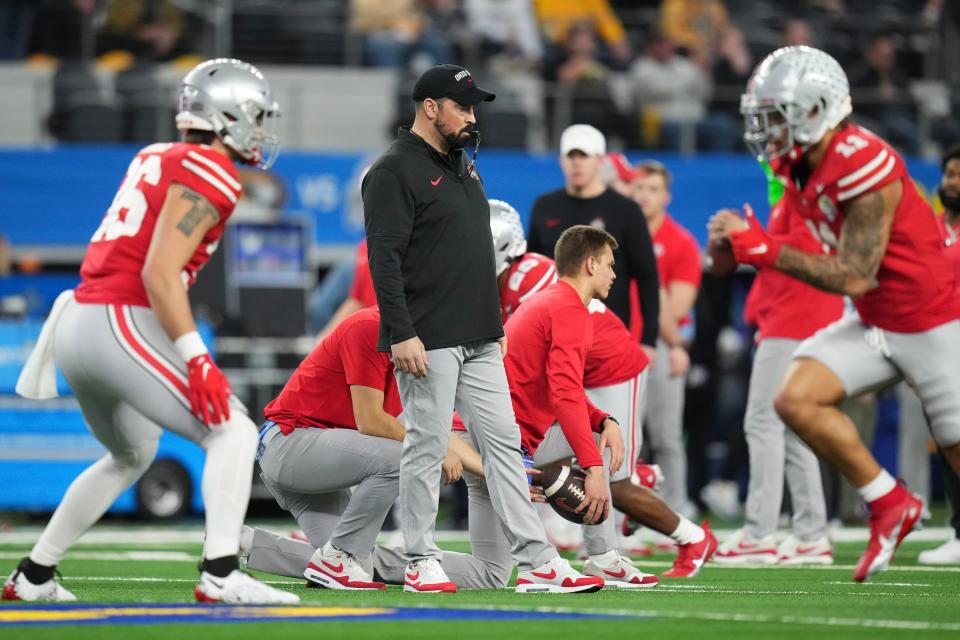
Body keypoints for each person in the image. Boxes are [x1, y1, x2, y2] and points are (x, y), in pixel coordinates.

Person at [3, 59, 297, 604]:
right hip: (119, 318)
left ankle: (34, 576)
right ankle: (220, 571)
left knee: (132, 454)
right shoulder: (211, 170)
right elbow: (158, 274)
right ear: (228, 114)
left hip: (77, 323)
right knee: (231, 431)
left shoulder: (155, 154)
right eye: (254, 115)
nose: (259, 129)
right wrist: (196, 357)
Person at [717, 45, 960, 582]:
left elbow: (854, 274)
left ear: (815, 109)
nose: (767, 128)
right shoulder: (800, 162)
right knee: (794, 399)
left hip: (933, 319)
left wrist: (764, 250)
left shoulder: (861, 161)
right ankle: (890, 502)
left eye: (777, 114)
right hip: (878, 320)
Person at [363, 63, 600, 594]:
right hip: (428, 337)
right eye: (463, 107)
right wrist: (401, 333)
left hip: (478, 336)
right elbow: (384, 259)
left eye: (473, 108)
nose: (472, 117)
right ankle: (420, 556)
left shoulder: (463, 166)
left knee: (506, 447)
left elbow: (469, 256)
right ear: (431, 108)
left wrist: (492, 326)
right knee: (427, 445)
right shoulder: (393, 170)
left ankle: (537, 560)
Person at [505, 224, 717, 579]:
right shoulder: (566, 305)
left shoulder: (550, 296)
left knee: (604, 457)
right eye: (609, 264)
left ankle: (604, 552)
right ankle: (681, 530)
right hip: (506, 433)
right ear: (590, 264)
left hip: (607, 374)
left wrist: (603, 422)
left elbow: (561, 388)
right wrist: (594, 464)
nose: (615, 274)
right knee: (607, 471)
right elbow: (563, 390)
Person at [241, 306, 487, 590]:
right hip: (289, 444)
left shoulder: (416, 343)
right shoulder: (370, 327)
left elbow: (436, 430)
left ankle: (243, 543)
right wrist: (433, 449)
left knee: (356, 564)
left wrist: (503, 476)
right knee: (404, 458)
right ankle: (339, 556)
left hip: (310, 452)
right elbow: (370, 420)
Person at [708, 159, 842, 565]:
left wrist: (745, 235)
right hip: (798, 320)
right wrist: (731, 239)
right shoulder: (799, 202)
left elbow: (790, 254)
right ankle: (811, 533)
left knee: (762, 423)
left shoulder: (807, 202)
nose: (773, 169)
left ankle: (761, 532)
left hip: (793, 321)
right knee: (792, 430)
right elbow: (734, 263)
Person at [527, 124, 660, 362]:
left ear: (600, 161)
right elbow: (532, 272)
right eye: (571, 156)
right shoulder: (544, 206)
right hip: (553, 336)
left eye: (584, 156)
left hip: (608, 337)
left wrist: (649, 339)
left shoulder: (625, 210)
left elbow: (647, 275)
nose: (577, 163)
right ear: (561, 161)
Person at [631, 161, 701, 516]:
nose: (644, 195)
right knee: (623, 437)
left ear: (666, 197)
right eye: (639, 187)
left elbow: (677, 307)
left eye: (653, 189)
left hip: (659, 344)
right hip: (620, 342)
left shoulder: (681, 243)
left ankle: (674, 509)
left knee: (665, 436)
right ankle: (622, 513)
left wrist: (672, 344)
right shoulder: (620, 233)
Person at [916, 144, 960, 565]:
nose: (954, 182)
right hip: (937, 345)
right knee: (948, 440)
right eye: (949, 174)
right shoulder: (929, 229)